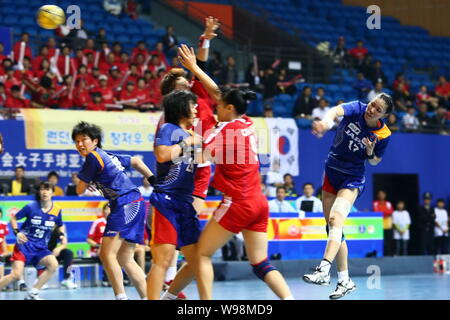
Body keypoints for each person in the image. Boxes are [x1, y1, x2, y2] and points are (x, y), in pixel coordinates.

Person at [176, 44, 294, 300]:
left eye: (220, 107)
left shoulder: (221, 135)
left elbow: (199, 158)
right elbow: (218, 93)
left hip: (238, 203)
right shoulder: (246, 122)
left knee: (201, 254)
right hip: (259, 203)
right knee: (260, 263)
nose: (216, 108)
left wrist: (187, 132)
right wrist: (194, 67)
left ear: (229, 108)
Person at [302, 93, 393, 299]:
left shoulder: (383, 134)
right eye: (372, 105)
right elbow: (335, 111)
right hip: (332, 171)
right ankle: (344, 280)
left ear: (384, 115)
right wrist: (325, 124)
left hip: (352, 179)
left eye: (378, 109)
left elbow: (375, 161)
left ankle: (323, 270)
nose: (372, 109)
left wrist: (370, 152)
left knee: (335, 220)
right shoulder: (358, 108)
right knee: (334, 228)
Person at [72, 121, 155, 300]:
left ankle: (121, 297)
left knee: (106, 253)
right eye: (76, 141)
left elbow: (79, 189)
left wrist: (88, 181)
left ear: (95, 141)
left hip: (125, 202)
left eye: (83, 140)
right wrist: (152, 178)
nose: (79, 144)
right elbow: (136, 161)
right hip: (136, 201)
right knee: (126, 258)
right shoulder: (107, 155)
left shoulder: (93, 158)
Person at [146, 90, 202, 300]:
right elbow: (161, 155)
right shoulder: (168, 128)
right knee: (163, 259)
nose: (196, 109)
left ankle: (168, 297)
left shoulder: (192, 134)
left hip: (185, 203)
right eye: (192, 105)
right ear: (180, 108)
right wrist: (187, 142)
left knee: (197, 260)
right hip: (166, 202)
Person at [0, 182, 63, 299]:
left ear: (52, 192)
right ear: (39, 192)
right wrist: (17, 232)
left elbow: (60, 224)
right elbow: (13, 218)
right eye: (42, 189)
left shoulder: (57, 210)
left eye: (47, 189)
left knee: (53, 264)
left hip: (40, 248)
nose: (44, 192)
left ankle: (33, 292)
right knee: (15, 275)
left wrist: (62, 234)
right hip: (24, 246)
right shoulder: (31, 207)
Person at [87, 203, 111, 286]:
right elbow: (88, 240)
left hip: (111, 249)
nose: (109, 211)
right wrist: (98, 246)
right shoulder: (98, 222)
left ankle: (125, 278)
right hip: (97, 249)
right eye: (107, 209)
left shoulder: (116, 224)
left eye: (111, 209)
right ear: (103, 211)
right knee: (105, 251)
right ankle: (106, 278)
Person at [373, 190, 394, 256]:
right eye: (380, 194)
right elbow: (377, 212)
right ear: (378, 195)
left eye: (383, 194)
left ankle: (389, 254)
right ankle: (382, 254)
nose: (381, 195)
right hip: (379, 225)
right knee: (381, 241)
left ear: (385, 195)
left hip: (388, 225)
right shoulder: (375, 203)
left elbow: (390, 212)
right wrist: (385, 213)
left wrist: (383, 213)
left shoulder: (388, 203)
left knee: (389, 240)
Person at [0, 208, 9, 284]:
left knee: (1, 262)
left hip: (0, 250)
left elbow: (3, 239)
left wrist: (5, 250)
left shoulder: (3, 224)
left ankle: (1, 283)